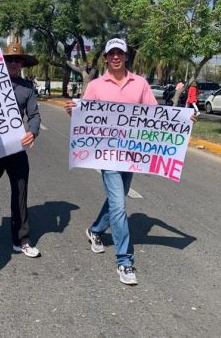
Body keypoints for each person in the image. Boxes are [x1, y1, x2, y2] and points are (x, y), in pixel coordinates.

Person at [64, 38, 156, 285]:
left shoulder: (141, 84)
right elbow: (85, 115)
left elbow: (156, 116)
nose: (116, 57)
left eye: (120, 53)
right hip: (107, 155)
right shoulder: (95, 85)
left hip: (132, 155)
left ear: (126, 57)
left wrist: (181, 122)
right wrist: (74, 110)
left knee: (119, 198)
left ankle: (95, 230)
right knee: (118, 205)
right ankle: (124, 262)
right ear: (105, 57)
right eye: (111, 53)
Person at [0, 39, 42, 258]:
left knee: (20, 192)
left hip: (16, 148)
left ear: (22, 64)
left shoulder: (27, 88)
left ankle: (21, 238)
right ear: (2, 61)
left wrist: (33, 130)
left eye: (17, 60)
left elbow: (34, 115)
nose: (13, 63)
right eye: (9, 59)